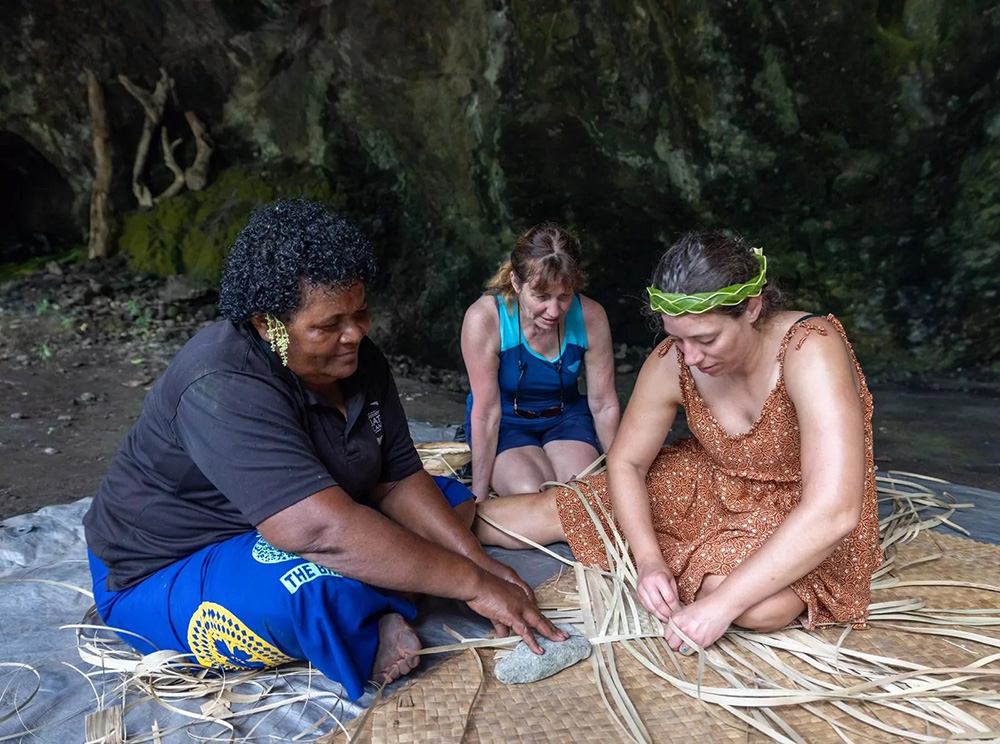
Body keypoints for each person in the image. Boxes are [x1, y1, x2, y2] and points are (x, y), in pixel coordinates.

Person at [83, 200, 566, 701]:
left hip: (303, 518)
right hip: (166, 566)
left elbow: (398, 477)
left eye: (360, 312)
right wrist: (472, 585)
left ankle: (383, 594)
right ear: (266, 323)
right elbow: (316, 530)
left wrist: (474, 560)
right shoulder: (219, 381)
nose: (354, 334)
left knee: (447, 502)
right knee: (311, 589)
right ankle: (366, 614)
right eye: (328, 325)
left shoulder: (358, 361)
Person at [474, 231, 882, 654]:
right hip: (710, 482)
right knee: (559, 510)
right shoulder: (677, 358)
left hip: (799, 512)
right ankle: (431, 523)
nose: (689, 357)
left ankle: (714, 582)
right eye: (679, 339)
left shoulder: (809, 347)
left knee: (759, 608)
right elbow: (626, 463)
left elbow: (833, 510)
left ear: (753, 308)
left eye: (706, 340)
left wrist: (720, 606)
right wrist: (648, 560)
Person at [461, 224, 620, 502]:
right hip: (507, 422)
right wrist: (479, 495)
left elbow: (603, 404)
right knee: (531, 492)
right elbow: (486, 413)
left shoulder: (592, 317)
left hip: (565, 416)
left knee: (579, 492)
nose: (554, 311)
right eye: (541, 296)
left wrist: (622, 476)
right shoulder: (485, 319)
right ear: (515, 282)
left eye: (564, 297)